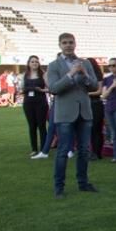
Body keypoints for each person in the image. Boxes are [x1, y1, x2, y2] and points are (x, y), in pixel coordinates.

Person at [46, 33, 99, 198]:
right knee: (63, 151)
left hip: (84, 112)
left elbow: (95, 86)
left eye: (71, 42)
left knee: (83, 150)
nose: (68, 45)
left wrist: (85, 75)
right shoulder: (54, 65)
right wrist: (70, 74)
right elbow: (54, 88)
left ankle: (83, 183)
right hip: (65, 114)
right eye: (65, 43)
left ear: (75, 44)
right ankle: (59, 187)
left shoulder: (85, 63)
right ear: (60, 45)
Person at [20, 55, 49, 157]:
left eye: (36, 62)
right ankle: (34, 148)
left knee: (41, 126)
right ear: (28, 63)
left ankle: (44, 149)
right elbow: (21, 89)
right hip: (28, 102)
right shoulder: (25, 75)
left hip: (40, 102)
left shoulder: (43, 75)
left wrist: (41, 90)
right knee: (32, 126)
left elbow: (50, 89)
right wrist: (25, 90)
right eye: (32, 62)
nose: (34, 63)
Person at [87, 58, 105, 159]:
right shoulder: (86, 77)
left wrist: (86, 94)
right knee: (92, 130)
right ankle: (94, 152)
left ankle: (96, 152)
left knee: (96, 129)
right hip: (89, 104)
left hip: (95, 103)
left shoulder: (98, 76)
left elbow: (99, 91)